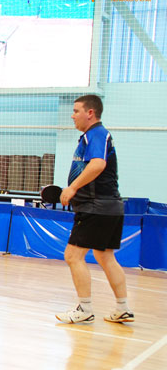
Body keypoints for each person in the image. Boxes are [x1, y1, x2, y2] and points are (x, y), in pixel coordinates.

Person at [56, 95, 133, 324]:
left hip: (95, 206)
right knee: (105, 255)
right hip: (110, 206)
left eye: (76, 111)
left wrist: (72, 188)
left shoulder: (96, 134)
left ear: (90, 113)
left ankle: (85, 309)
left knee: (73, 256)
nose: (72, 115)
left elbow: (98, 164)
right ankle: (123, 308)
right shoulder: (92, 136)